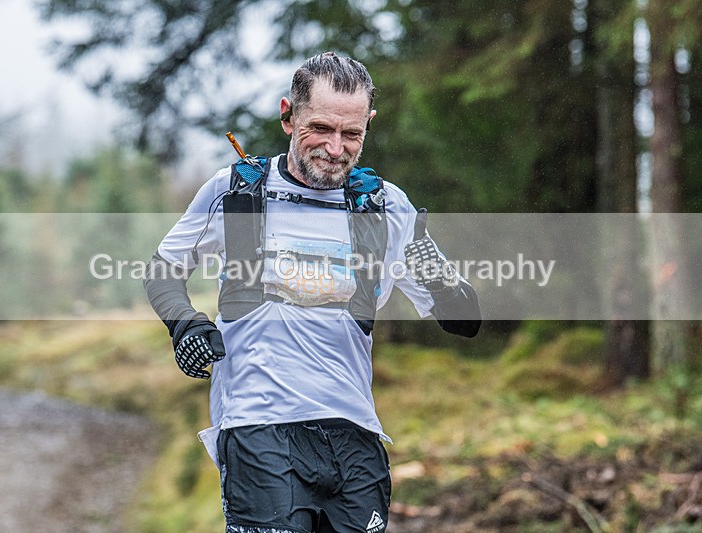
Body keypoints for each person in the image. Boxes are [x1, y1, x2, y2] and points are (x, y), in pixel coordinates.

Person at [144, 51, 481, 533]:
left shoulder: (384, 205)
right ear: (288, 115)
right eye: (320, 128)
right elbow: (161, 270)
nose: (335, 148)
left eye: (352, 134)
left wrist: (429, 261)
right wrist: (184, 323)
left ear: (369, 125)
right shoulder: (238, 192)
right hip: (258, 424)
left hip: (354, 434)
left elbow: (464, 320)